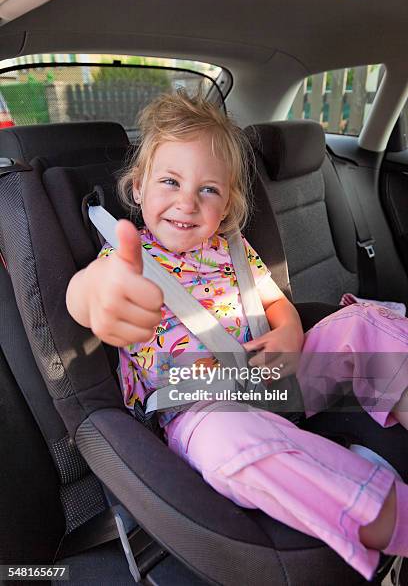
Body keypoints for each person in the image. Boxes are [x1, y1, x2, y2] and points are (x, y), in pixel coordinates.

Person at [66, 89, 408, 580]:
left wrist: (289, 331)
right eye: (169, 181)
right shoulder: (126, 257)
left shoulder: (232, 247)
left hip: (277, 377)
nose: (187, 201)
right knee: (231, 448)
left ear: (226, 202)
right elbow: (84, 296)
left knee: (361, 324)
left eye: (208, 189)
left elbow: (274, 300)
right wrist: (93, 290)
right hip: (198, 404)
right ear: (138, 188)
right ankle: (386, 517)